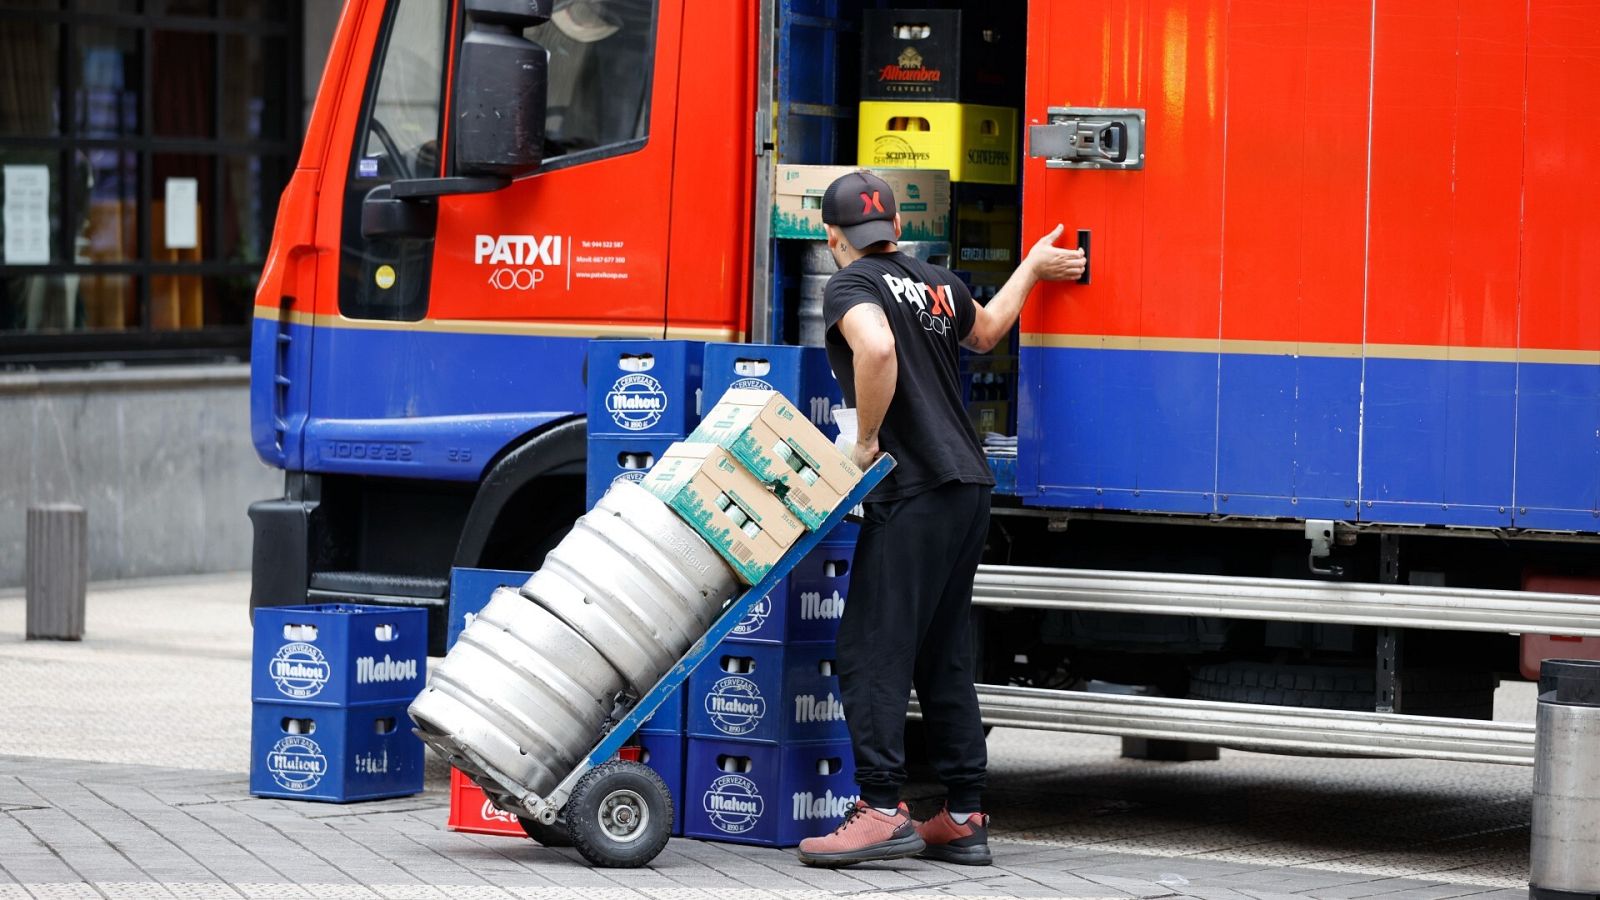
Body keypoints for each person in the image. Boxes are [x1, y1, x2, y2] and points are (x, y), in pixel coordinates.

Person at [796, 170, 1085, 868]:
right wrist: (1031, 269)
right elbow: (986, 333)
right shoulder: (938, 282)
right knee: (941, 654)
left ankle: (879, 808)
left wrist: (867, 441)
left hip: (915, 487)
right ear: (895, 227)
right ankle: (963, 814)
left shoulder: (850, 284)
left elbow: (877, 349)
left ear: (832, 236)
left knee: (871, 649)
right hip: (968, 487)